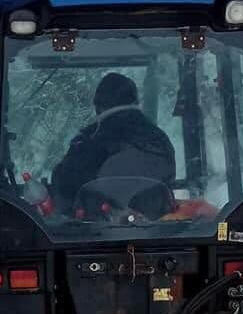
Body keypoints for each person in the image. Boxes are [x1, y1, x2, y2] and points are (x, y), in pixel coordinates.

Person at [50, 72, 176, 217]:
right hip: (157, 229)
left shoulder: (89, 140)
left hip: (101, 230)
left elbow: (65, 184)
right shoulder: (159, 138)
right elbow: (167, 180)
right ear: (135, 101)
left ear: (98, 106)